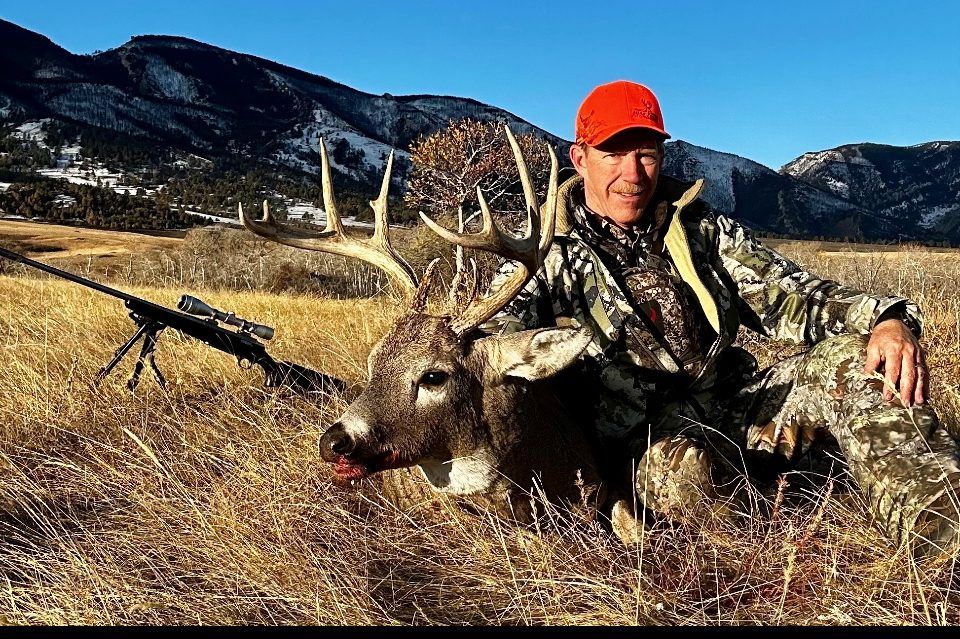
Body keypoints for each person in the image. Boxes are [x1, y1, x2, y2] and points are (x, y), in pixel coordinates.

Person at [485, 80, 960, 556]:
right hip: (643, 446)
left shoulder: (700, 228)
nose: (633, 174)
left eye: (646, 154)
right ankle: (785, 515)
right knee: (690, 478)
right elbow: (493, 347)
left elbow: (792, 295)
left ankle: (944, 537)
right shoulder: (541, 253)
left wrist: (886, 320)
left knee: (859, 361)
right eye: (614, 153)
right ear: (579, 158)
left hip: (739, 405)